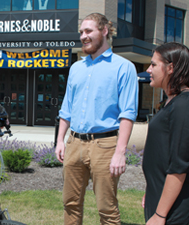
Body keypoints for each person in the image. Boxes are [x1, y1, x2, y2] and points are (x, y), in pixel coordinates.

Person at [55, 13, 139, 224]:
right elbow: (67, 108)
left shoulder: (124, 67)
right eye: (81, 32)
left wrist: (120, 152)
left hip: (105, 145)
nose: (83, 36)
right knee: (70, 204)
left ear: (104, 31)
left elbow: (128, 113)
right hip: (74, 143)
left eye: (88, 31)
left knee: (107, 209)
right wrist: (60, 140)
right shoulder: (76, 68)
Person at [142, 42, 189, 225]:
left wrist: (160, 215)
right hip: (161, 194)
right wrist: (152, 190)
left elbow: (179, 166)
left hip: (173, 205)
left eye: (153, 64)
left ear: (171, 68)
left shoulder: (185, 105)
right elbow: (163, 153)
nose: (148, 70)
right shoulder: (172, 101)